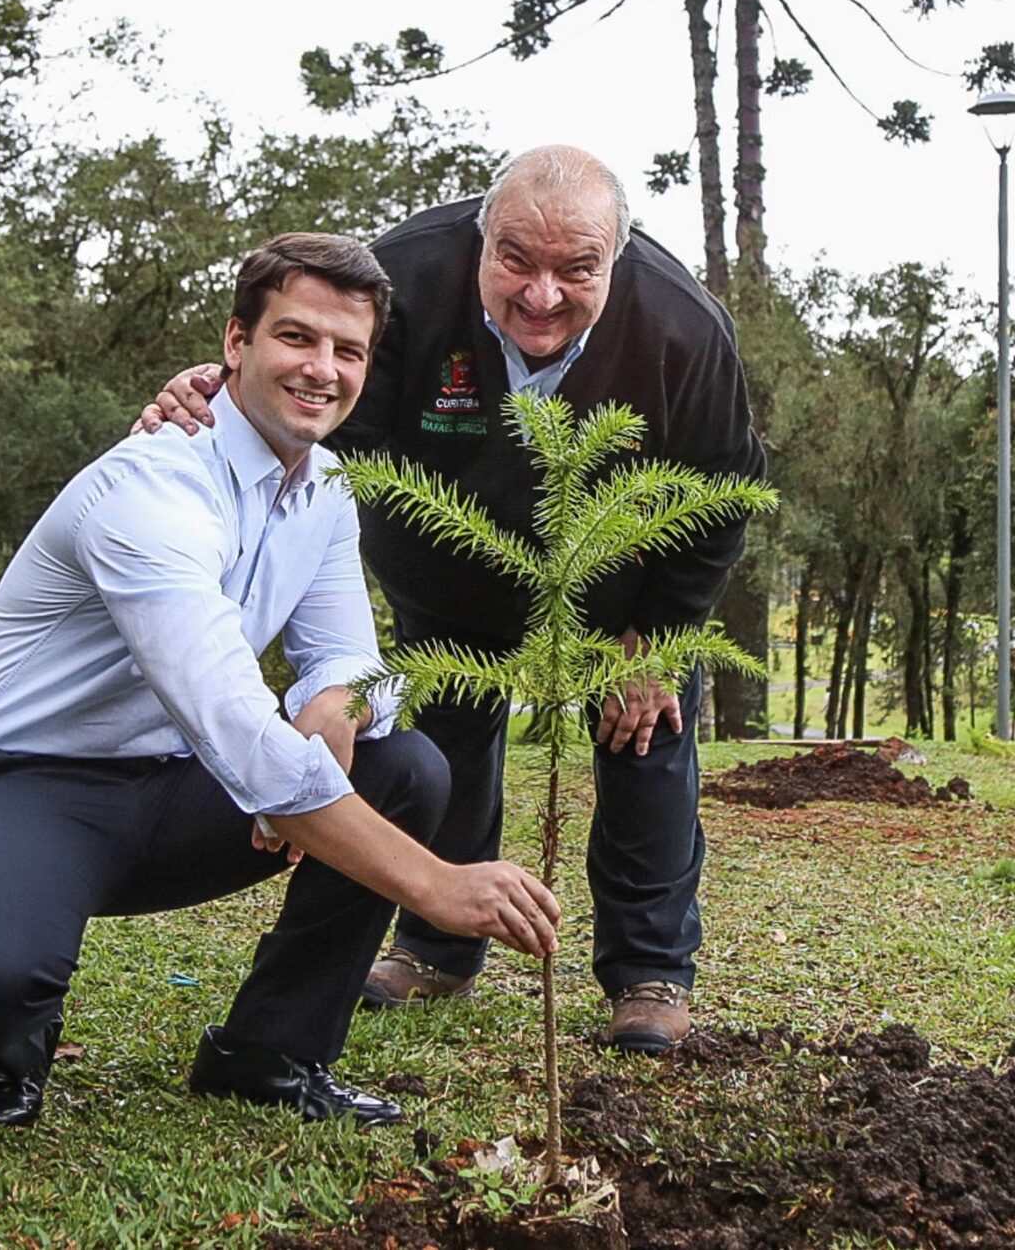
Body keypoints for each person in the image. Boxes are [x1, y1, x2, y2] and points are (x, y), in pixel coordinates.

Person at [0, 232, 559, 1131]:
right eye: (297, 337)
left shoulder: (324, 485)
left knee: (403, 768)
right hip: (28, 780)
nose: (323, 368)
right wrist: (436, 887)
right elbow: (237, 726)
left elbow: (349, 657)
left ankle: (271, 1054)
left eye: (348, 349)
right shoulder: (152, 488)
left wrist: (334, 700)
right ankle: (16, 1034)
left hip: (180, 788)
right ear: (235, 343)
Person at [142, 150, 763, 1052]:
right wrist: (208, 390)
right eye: (516, 259)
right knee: (447, 747)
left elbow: (728, 485)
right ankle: (438, 945)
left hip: (623, 589)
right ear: (480, 236)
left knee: (646, 745)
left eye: (576, 269)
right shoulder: (406, 281)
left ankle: (649, 971)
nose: (543, 294)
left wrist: (658, 637)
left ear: (617, 257)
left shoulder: (682, 328)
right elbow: (314, 393)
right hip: (445, 568)